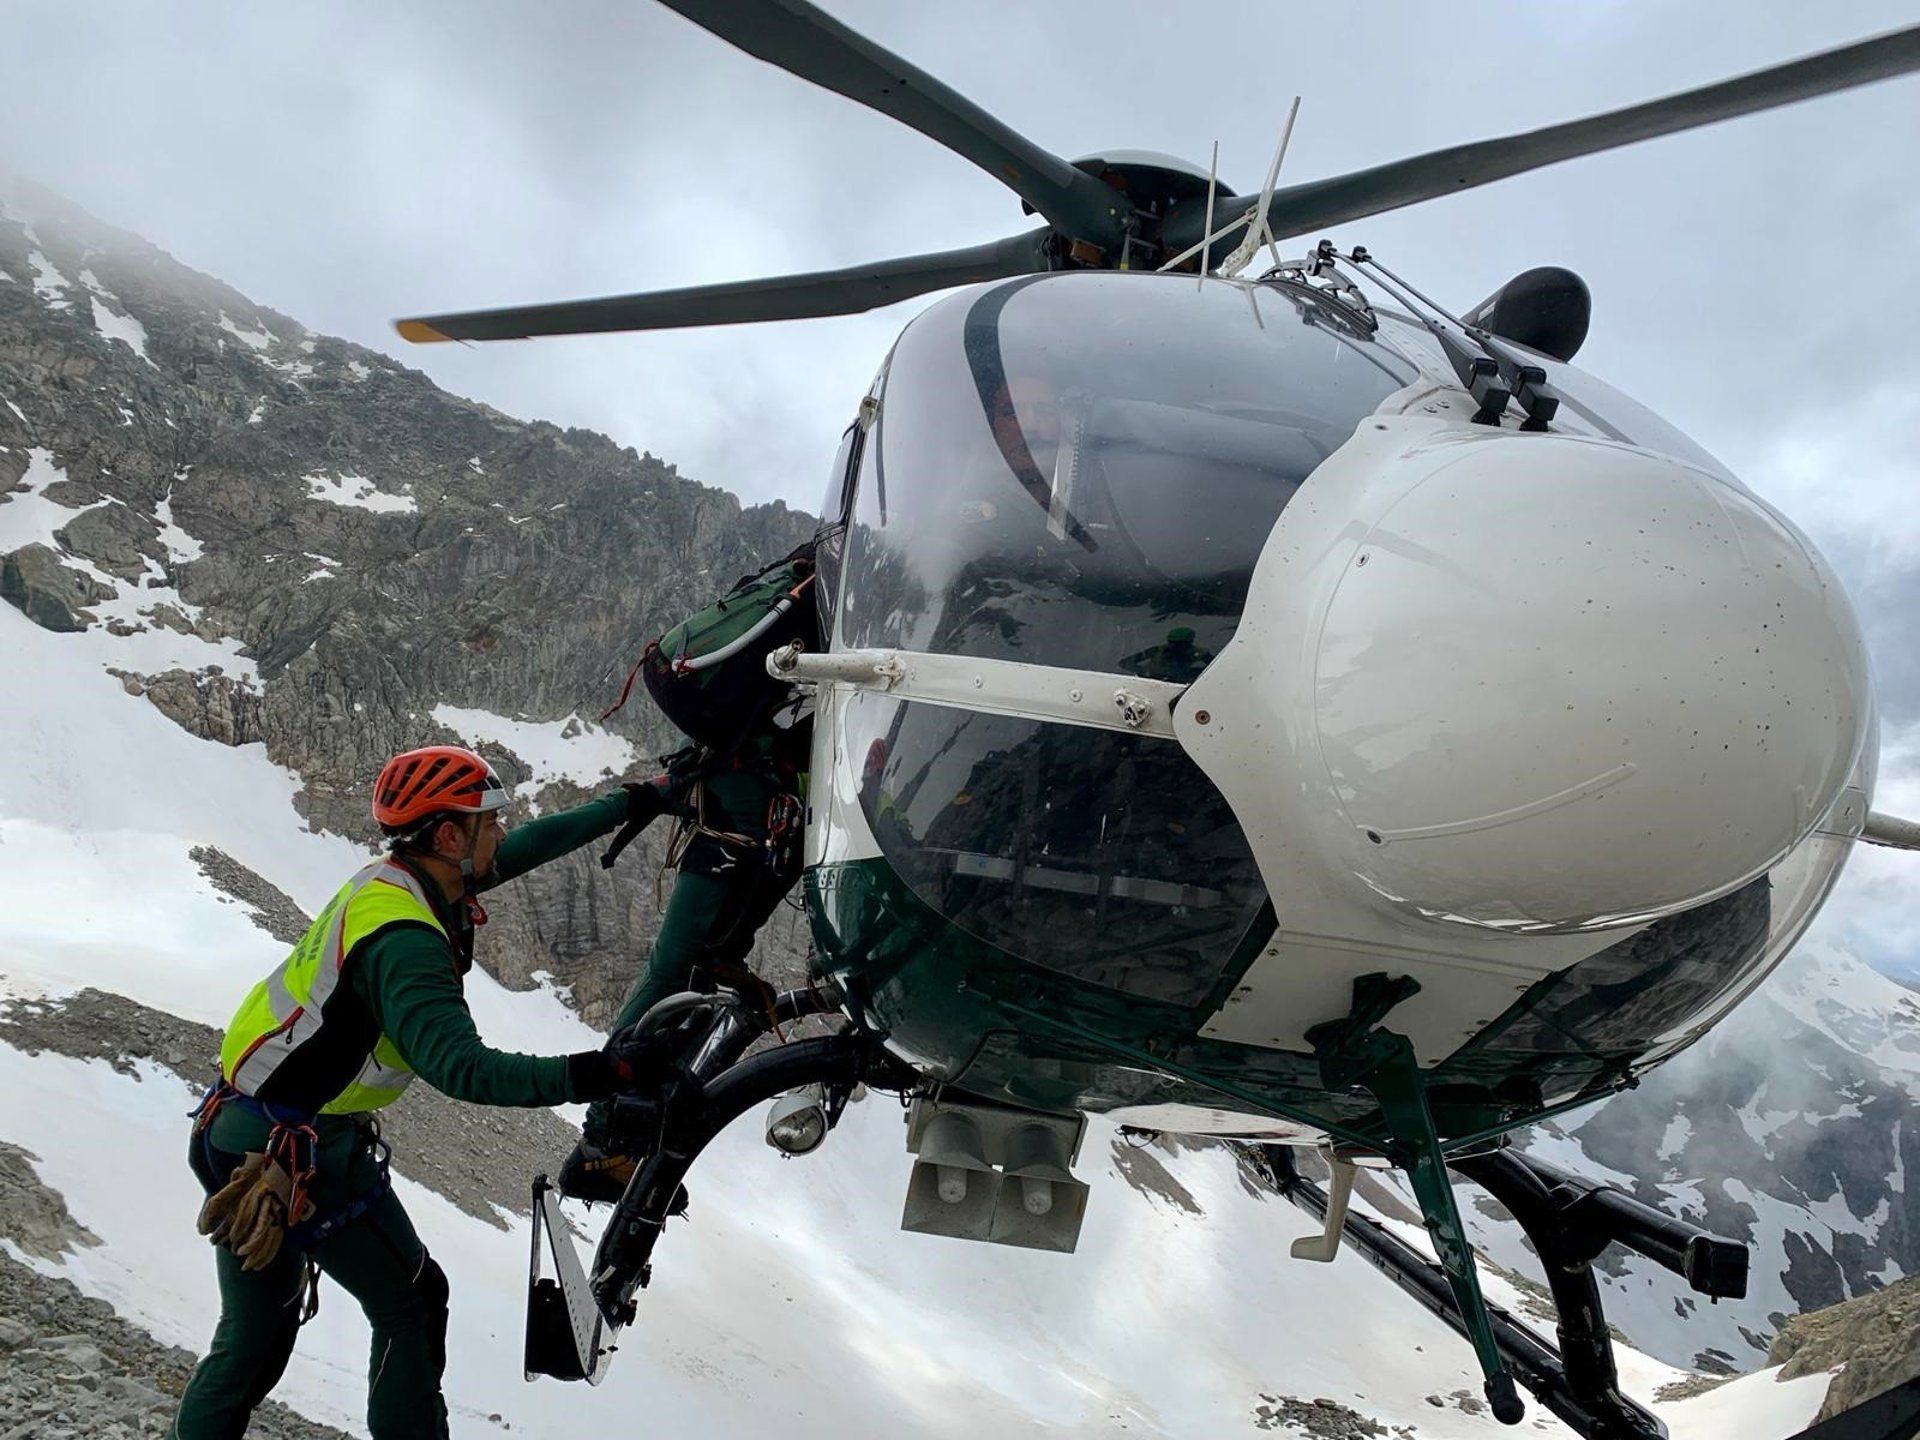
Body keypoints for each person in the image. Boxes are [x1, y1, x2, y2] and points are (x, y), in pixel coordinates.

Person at [169, 745, 673, 1440]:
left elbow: (523, 849)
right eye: (488, 823)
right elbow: (463, 1068)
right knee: (412, 1303)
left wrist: (635, 800)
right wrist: (604, 1072)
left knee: (253, 1337)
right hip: (299, 1151)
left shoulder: (397, 880)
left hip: (240, 1132)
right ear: (448, 836)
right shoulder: (406, 940)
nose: (501, 833)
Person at [559, 726, 806, 1202]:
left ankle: (620, 1140)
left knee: (693, 975)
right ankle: (602, 1144)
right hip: (736, 812)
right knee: (676, 973)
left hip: (748, 812)